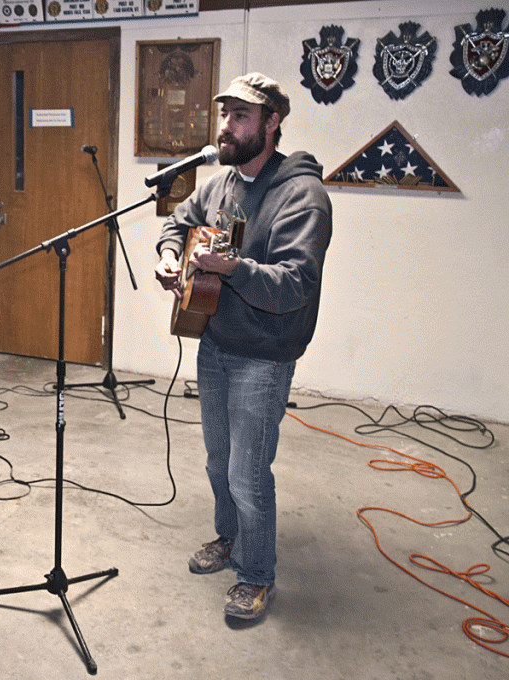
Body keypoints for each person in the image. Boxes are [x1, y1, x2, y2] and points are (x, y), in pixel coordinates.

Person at [154, 72, 332, 621]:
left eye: (240, 117)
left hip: (265, 352)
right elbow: (178, 226)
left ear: (272, 123)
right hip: (215, 342)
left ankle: (257, 575)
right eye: (224, 115)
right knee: (217, 462)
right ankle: (230, 540)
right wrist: (169, 257)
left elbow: (296, 285)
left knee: (248, 474)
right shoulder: (217, 185)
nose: (226, 128)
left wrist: (236, 269)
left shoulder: (303, 195)